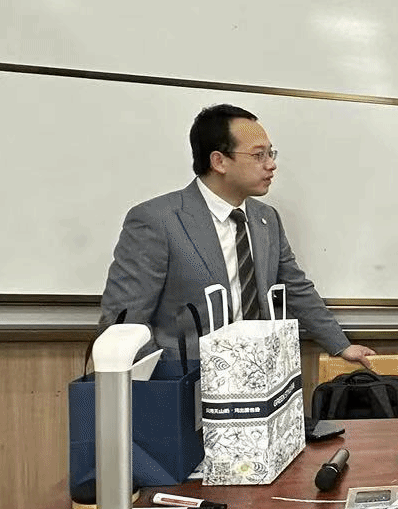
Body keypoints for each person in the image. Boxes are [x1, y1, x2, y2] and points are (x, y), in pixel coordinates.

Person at [100, 103, 374, 363]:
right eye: (258, 155)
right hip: (187, 380)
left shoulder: (266, 218)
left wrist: (341, 345)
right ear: (219, 161)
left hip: (261, 375)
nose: (271, 164)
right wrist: (166, 379)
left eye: (271, 153)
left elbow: (295, 287)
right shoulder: (157, 220)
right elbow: (123, 321)